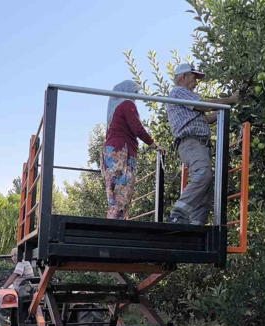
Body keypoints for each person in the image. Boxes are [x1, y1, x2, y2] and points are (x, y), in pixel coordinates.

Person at [166, 64, 239, 225]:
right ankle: (178, 213)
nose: (197, 82)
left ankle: (197, 224)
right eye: (194, 77)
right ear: (183, 77)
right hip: (192, 142)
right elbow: (203, 105)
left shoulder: (185, 100)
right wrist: (230, 100)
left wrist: (226, 109)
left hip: (197, 144)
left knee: (206, 188)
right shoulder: (179, 92)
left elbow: (205, 118)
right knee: (203, 174)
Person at [102, 80, 161, 219]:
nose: (136, 96)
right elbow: (137, 128)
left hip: (110, 152)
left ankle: (112, 222)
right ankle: (117, 225)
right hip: (123, 151)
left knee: (113, 194)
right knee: (123, 190)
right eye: (135, 92)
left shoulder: (114, 110)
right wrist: (154, 144)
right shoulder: (127, 104)